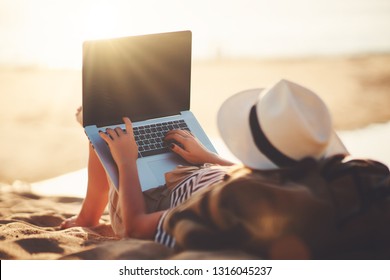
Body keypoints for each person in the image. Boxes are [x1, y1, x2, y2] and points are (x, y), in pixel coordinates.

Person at [60, 79, 348, 247]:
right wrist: (208, 158)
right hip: (203, 170)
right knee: (121, 123)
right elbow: (255, 176)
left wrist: (127, 161)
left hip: (153, 199)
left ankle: (88, 216)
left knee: (104, 132)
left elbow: (135, 227)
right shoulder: (303, 180)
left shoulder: (228, 204)